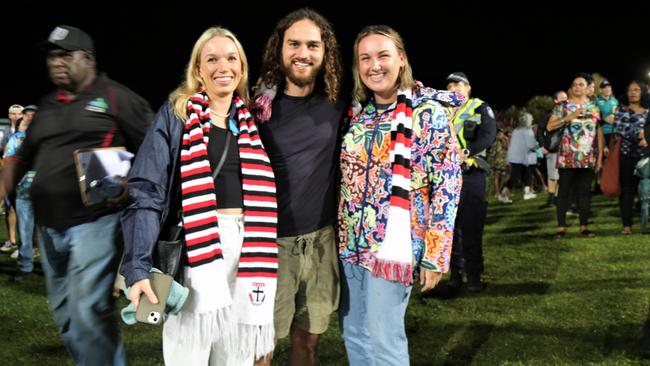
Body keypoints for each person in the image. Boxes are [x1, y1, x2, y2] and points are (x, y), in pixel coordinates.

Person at [121, 27, 277, 365]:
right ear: (198, 70)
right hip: (197, 243)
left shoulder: (252, 121)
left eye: (231, 58)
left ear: (242, 67)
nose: (223, 66)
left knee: (234, 355)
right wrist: (137, 268)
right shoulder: (177, 116)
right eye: (212, 58)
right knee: (188, 353)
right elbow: (147, 190)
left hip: (249, 245)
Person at [2, 25, 152, 365]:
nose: (56, 62)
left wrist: (131, 183)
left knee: (87, 308)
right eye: (52, 56)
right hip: (50, 225)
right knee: (67, 315)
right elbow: (21, 157)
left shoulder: (115, 96)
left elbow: (156, 147)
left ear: (87, 59)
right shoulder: (47, 106)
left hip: (96, 221)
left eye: (65, 55)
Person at [337, 25, 463, 365]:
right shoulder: (357, 117)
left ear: (401, 59)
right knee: (354, 334)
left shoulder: (428, 114)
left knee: (384, 338)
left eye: (383, 55)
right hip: (350, 245)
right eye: (365, 58)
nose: (374, 65)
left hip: (394, 247)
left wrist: (436, 254)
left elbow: (448, 184)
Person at [251, 8, 346, 365]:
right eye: (294, 44)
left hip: (321, 243)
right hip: (269, 246)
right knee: (262, 349)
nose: (302, 53)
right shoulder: (255, 108)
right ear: (280, 48)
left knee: (307, 344)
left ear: (325, 52)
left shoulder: (339, 104)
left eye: (312, 45)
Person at [445, 71, 497, 292]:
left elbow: (488, 135)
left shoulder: (480, 107)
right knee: (450, 227)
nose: (454, 88)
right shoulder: (441, 110)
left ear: (468, 88)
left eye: (459, 84)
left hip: (471, 173)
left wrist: (467, 151)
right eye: (450, 86)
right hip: (447, 175)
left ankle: (474, 276)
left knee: (471, 225)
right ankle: (455, 274)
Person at [546, 72, 603, 238]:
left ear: (588, 88)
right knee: (563, 192)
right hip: (567, 157)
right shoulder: (562, 106)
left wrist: (599, 157)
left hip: (588, 158)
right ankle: (561, 228)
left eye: (581, 84)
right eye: (575, 84)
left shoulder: (594, 107)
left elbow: (598, 132)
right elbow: (550, 127)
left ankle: (583, 227)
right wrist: (568, 117)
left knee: (584, 193)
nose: (577, 87)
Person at [4, 104, 38, 282]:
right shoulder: (16, 138)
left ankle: (55, 267)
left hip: (46, 192)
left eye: (33, 115)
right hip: (23, 191)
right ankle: (26, 267)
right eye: (27, 115)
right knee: (24, 230)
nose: (29, 117)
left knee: (50, 233)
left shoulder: (48, 139)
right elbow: (8, 160)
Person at [613, 80, 648, 234]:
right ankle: (627, 225)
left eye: (637, 90)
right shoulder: (621, 110)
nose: (633, 93)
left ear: (643, 92)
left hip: (646, 156)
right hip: (626, 155)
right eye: (630, 90)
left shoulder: (648, 110)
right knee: (627, 190)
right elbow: (621, 128)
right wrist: (640, 135)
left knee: (647, 191)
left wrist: (647, 137)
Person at [0, 104, 23, 253]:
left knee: (24, 209)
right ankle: (12, 240)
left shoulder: (28, 131)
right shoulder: (4, 132)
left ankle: (27, 245)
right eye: (12, 114)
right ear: (9, 116)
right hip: (7, 172)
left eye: (18, 114)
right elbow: (2, 151)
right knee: (10, 208)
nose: (15, 116)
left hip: (23, 174)